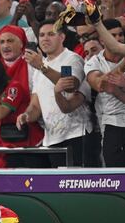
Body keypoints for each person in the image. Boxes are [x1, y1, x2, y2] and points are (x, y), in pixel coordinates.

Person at [20, 19, 101, 167]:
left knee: (82, 185)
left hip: (78, 135)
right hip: (52, 139)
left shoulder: (72, 59)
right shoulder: (39, 69)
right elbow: (35, 105)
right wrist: (26, 116)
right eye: (42, 35)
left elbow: (70, 85)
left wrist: (42, 67)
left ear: (62, 37)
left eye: (51, 34)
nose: (45, 38)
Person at [85, 18, 125, 166]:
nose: (118, 39)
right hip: (111, 124)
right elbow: (100, 85)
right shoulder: (94, 62)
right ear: (103, 40)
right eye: (113, 36)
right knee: (115, 178)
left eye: (120, 35)